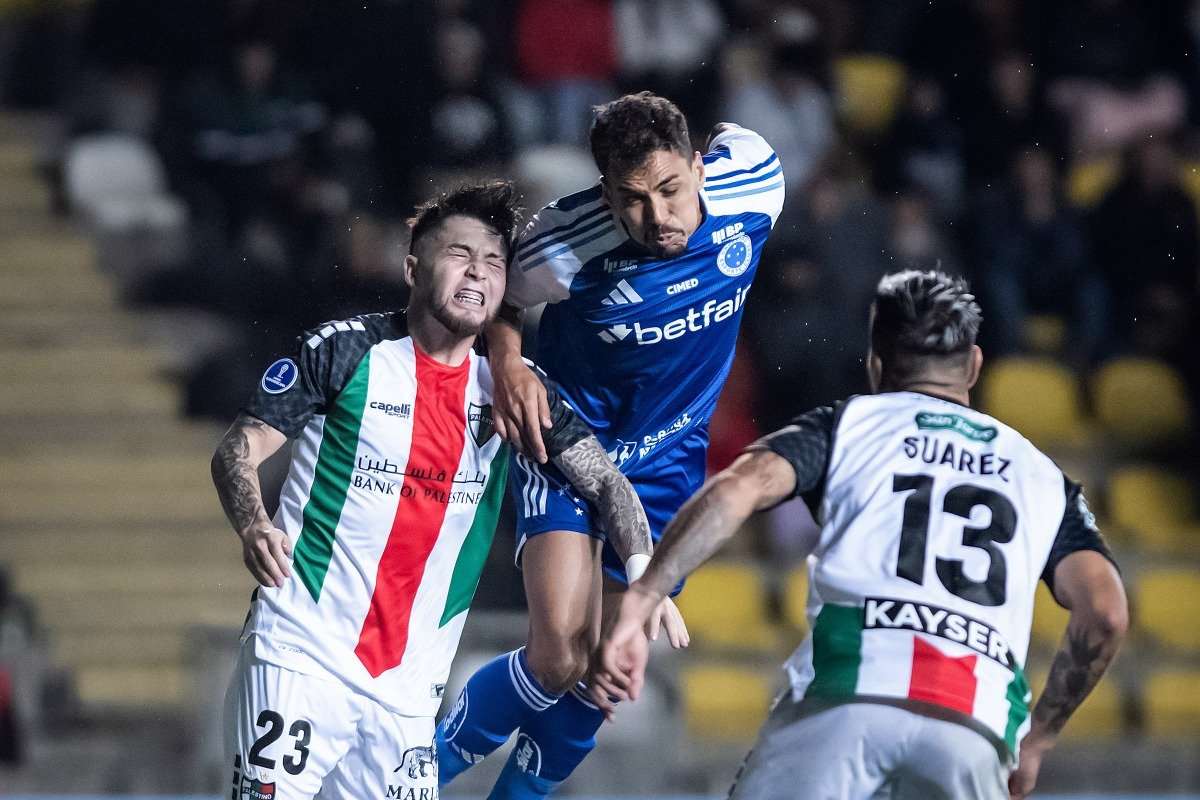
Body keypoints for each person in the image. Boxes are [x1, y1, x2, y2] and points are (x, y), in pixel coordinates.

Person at [596, 270, 1128, 800]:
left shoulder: (847, 425)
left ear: (874, 363)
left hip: (846, 695)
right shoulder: (1042, 478)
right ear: (974, 365)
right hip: (975, 728)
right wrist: (1037, 740)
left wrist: (643, 597)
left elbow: (736, 490)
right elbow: (1105, 612)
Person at [210, 182, 661, 800]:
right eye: (460, 253)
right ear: (412, 268)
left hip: (408, 696)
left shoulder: (515, 392)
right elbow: (238, 449)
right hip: (301, 654)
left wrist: (644, 577)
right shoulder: (345, 351)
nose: (478, 271)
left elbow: (608, 483)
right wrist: (255, 523)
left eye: (495, 261)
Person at [437, 91, 784, 798]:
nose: (656, 218)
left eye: (670, 190)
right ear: (604, 192)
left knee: (604, 672)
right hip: (567, 446)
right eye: (632, 200)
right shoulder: (567, 240)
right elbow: (493, 294)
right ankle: (410, 778)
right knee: (558, 655)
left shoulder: (756, 180)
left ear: (698, 165)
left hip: (669, 467)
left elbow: (735, 132)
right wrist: (507, 364)